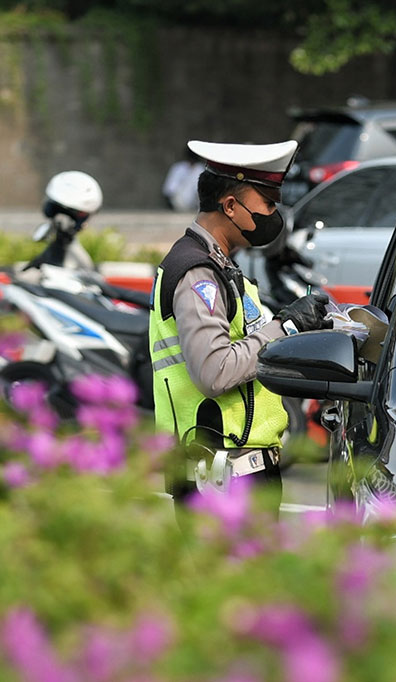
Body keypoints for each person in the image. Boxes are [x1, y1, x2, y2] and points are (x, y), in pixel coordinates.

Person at [149, 139, 330, 521]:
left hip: (237, 471)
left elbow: (250, 345)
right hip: (219, 476)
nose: (273, 213)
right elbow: (214, 372)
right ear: (230, 206)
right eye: (266, 203)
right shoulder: (198, 272)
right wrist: (286, 325)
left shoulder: (222, 268)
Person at [162, 146, 203, 212]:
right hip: (178, 205)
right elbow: (169, 189)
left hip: (196, 206)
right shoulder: (178, 168)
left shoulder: (200, 169)